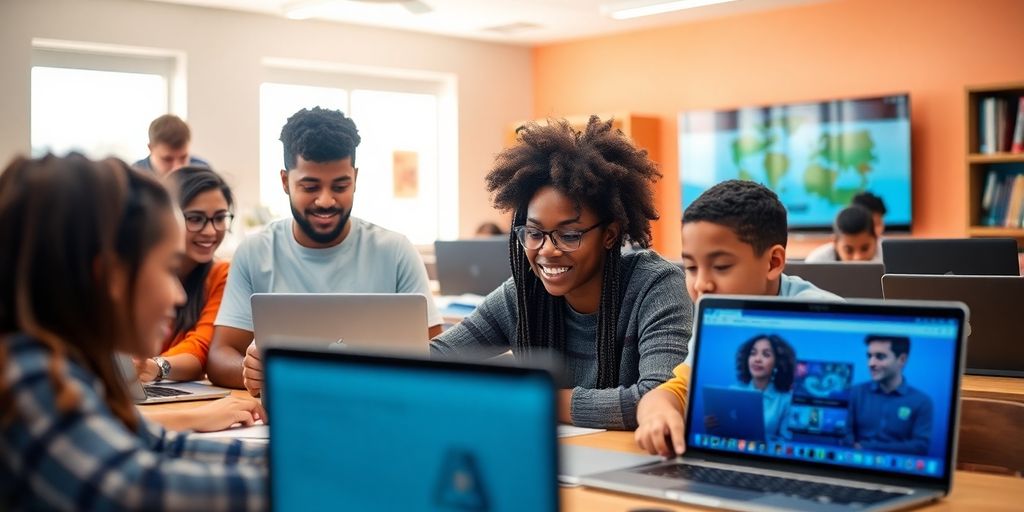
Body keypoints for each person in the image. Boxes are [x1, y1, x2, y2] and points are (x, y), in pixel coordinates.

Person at [0, 154, 266, 510]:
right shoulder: (28, 377)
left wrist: (306, 465)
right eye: (169, 269)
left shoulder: (61, 365)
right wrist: (320, 482)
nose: (179, 294)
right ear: (110, 276)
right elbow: (140, 490)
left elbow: (159, 444)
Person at [431, 116, 691, 430]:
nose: (548, 250)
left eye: (569, 236)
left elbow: (659, 398)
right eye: (534, 233)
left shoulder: (656, 287)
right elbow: (436, 357)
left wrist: (536, 397)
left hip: (631, 462)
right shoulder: (523, 295)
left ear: (609, 234)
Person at [207, 107, 442, 395]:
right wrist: (257, 371)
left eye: (340, 185)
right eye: (310, 186)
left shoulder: (395, 251)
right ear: (285, 181)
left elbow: (433, 353)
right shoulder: (255, 251)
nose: (326, 200)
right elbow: (220, 355)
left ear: (355, 178)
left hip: (379, 407)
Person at [635, 179, 840, 457]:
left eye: (721, 266)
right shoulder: (718, 317)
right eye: (692, 267)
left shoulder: (826, 320)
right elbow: (677, 389)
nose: (701, 284)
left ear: (773, 262)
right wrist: (656, 414)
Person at [134, 166, 233, 383]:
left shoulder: (221, 274)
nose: (210, 231)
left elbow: (200, 349)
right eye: (195, 219)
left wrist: (155, 367)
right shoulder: (136, 271)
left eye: (220, 218)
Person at [848, 335, 933, 455]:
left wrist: (868, 447)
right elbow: (844, 436)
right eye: (869, 356)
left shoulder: (922, 402)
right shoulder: (855, 393)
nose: (871, 363)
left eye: (880, 356)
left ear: (902, 359)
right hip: (854, 466)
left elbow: (920, 447)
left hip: (900, 470)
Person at [704, 335, 796, 440]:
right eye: (753, 353)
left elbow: (786, 442)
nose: (757, 359)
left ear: (777, 363)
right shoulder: (733, 392)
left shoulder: (785, 400)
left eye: (766, 354)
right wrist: (712, 427)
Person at [132, 114, 209, 176]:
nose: (177, 168)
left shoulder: (203, 173)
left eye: (183, 158)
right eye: (168, 159)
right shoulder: (133, 177)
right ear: (151, 148)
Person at [804, 205, 881, 262]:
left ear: (876, 239)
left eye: (865, 249)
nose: (857, 258)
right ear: (835, 243)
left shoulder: (890, 258)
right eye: (848, 250)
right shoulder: (816, 261)